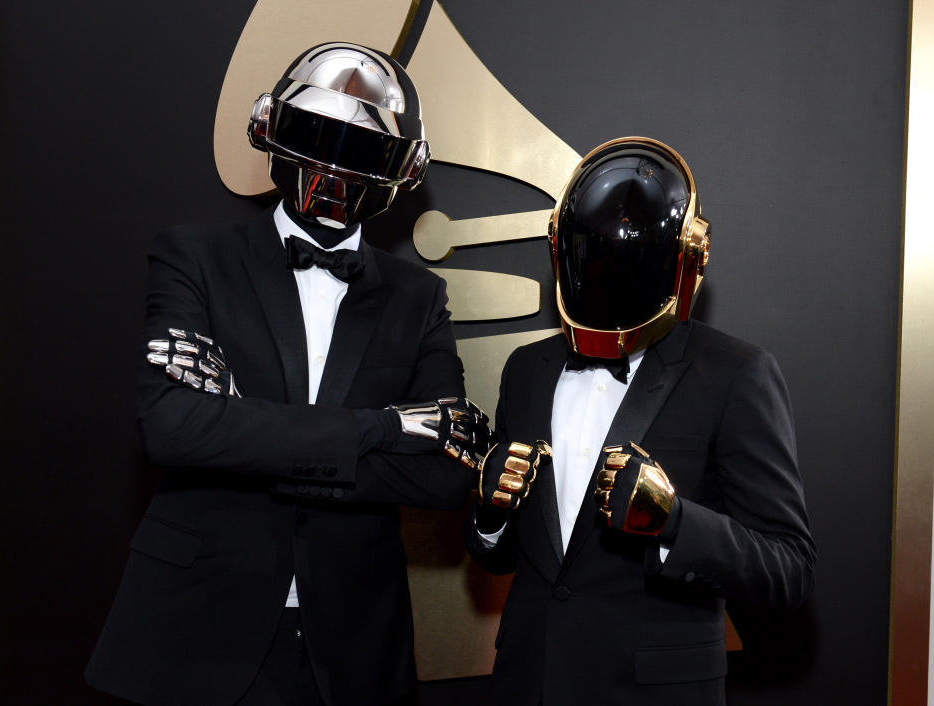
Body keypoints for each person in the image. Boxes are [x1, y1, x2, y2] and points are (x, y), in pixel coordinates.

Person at [86, 42, 490, 706]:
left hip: (353, 647)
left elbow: (444, 473)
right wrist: (380, 427)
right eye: (317, 137)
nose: (333, 172)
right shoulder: (194, 257)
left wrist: (242, 426)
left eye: (362, 151)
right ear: (271, 130)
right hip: (194, 630)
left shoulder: (418, 298)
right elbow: (171, 427)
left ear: (402, 172)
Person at [465, 137, 816, 705]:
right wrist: (488, 514)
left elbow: (789, 570)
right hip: (528, 683)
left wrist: (675, 523)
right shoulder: (526, 369)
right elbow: (502, 558)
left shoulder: (736, 374)